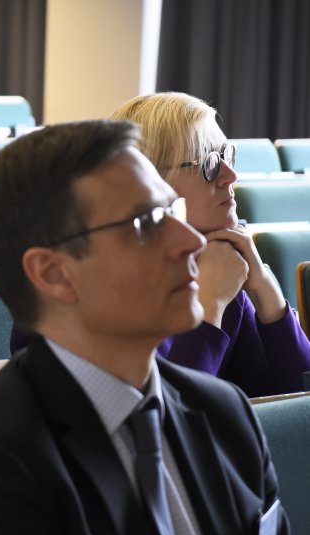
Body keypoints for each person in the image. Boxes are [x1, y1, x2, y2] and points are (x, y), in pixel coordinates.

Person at [0, 120, 308, 535]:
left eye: (173, 212)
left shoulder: (225, 413)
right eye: (147, 224)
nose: (190, 242)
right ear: (54, 273)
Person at [107, 92, 310, 397]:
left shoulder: (219, 266)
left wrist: (267, 290)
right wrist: (208, 308)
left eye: (226, 156)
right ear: (149, 182)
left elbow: (292, 405)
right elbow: (160, 427)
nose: (231, 176)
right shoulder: (102, 295)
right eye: (210, 164)